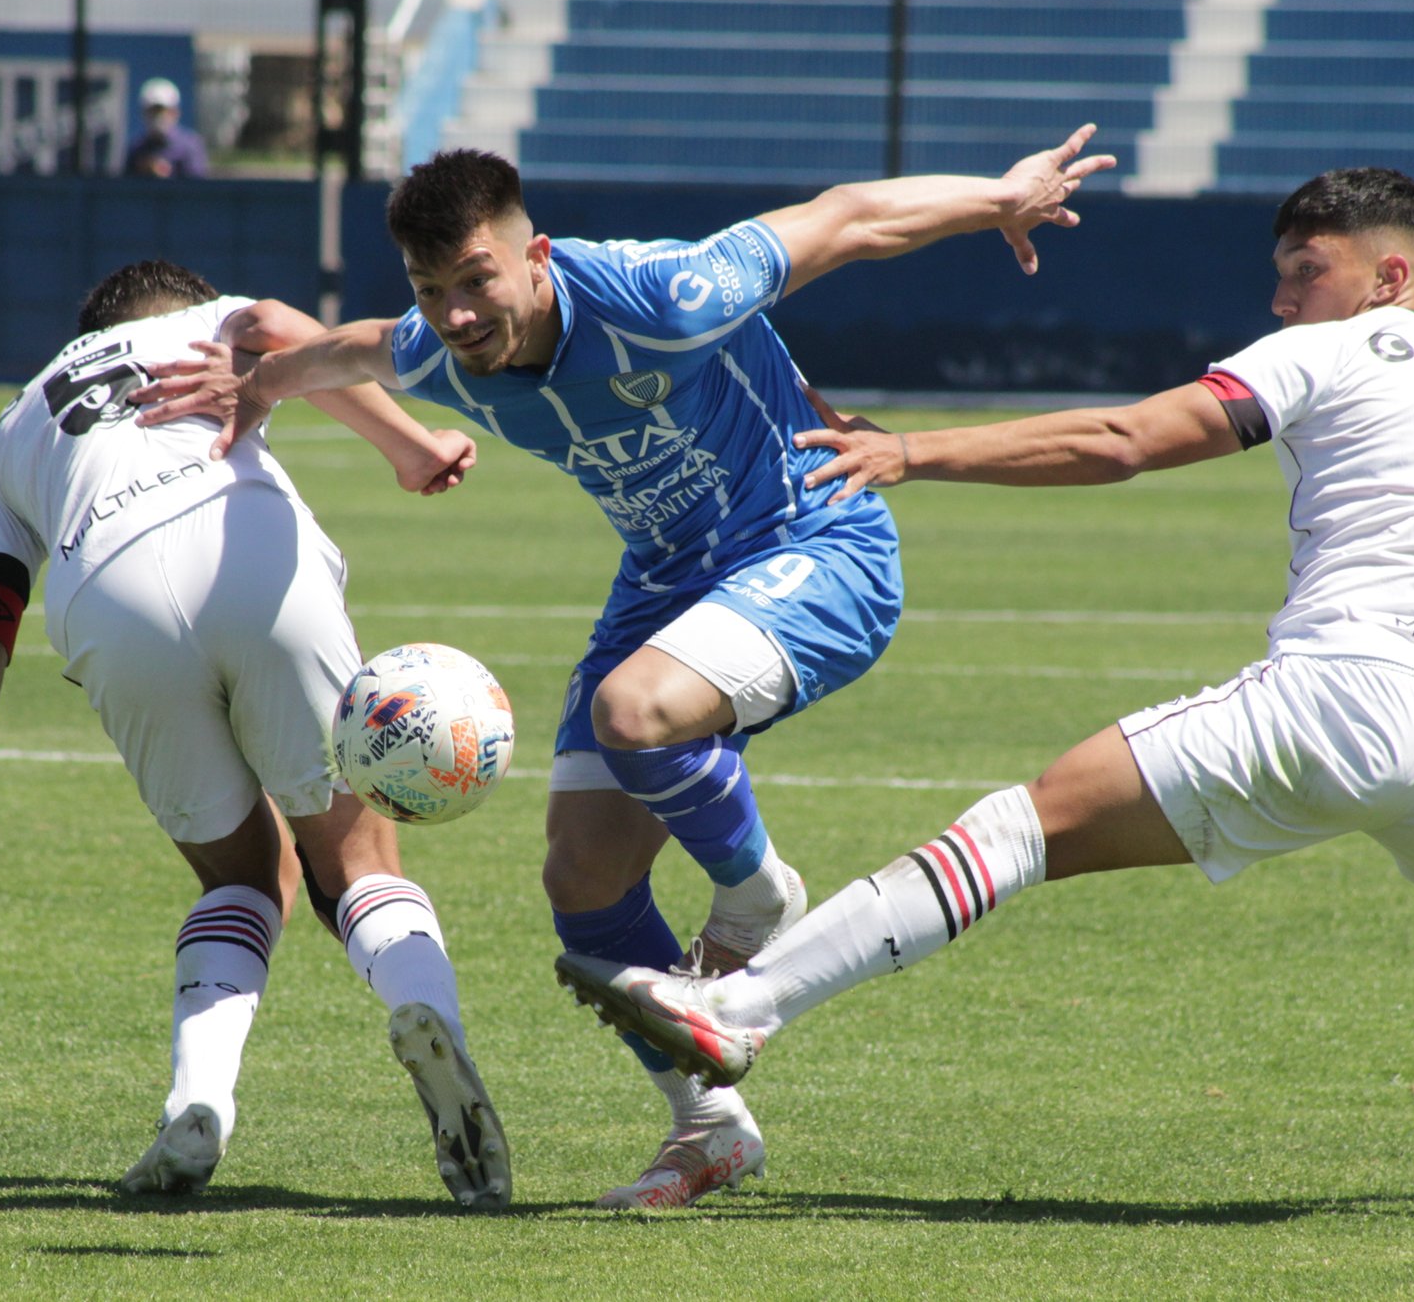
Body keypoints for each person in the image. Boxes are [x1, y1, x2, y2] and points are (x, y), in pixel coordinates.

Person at [554, 167, 1414, 1221]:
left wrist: (912, 451)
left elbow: (1124, 440)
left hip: (1337, 697)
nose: (1279, 299)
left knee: (1020, 826)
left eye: (1303, 271)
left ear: (1388, 277)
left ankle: (736, 1008)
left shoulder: (1331, 349)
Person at [130, 131, 1116, 1206]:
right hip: (664, 581)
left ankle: (753, 895)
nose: (456, 314)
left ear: (535, 255)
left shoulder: (662, 295)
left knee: (634, 711)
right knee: (581, 879)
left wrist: (1000, 198)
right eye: (431, 288)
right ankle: (710, 1126)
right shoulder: (434, 345)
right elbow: (357, 347)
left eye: (475, 280)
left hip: (811, 545)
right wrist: (260, 387)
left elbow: (843, 217)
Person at [0, 259, 513, 1208]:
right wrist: (407, 447)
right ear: (174, 306)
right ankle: (421, 1007)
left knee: (246, 876)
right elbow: (284, 328)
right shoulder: (203, 318)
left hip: (105, 594)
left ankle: (199, 1101)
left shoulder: (12, 433)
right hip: (245, 545)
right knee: (358, 856)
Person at [125, 78, 208, 179]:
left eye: (161, 111)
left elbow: (197, 187)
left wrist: (166, 173)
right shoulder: (136, 148)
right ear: (144, 113)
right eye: (152, 111)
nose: (157, 117)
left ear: (174, 112)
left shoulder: (191, 146)